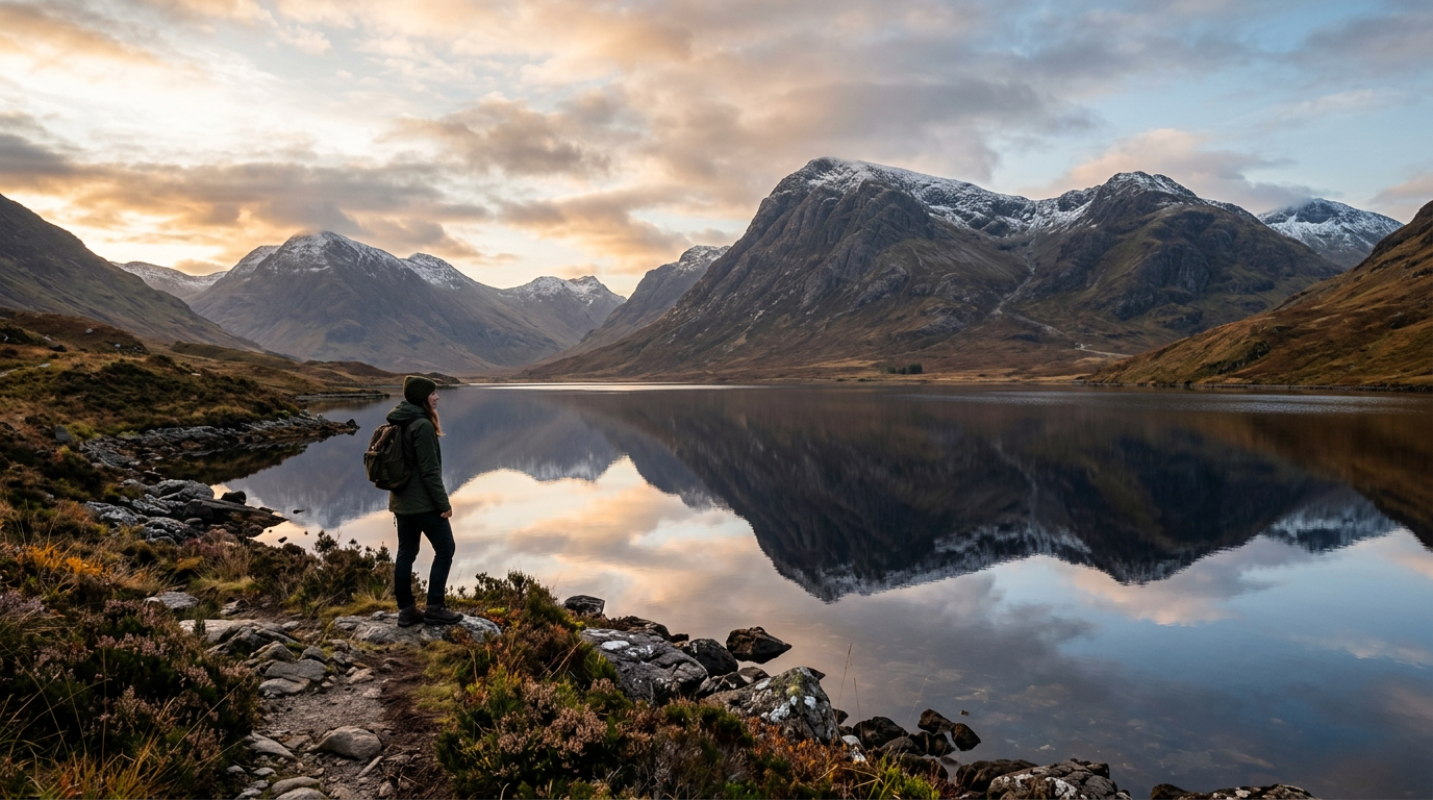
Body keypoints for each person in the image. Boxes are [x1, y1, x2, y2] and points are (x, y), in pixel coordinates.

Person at [387, 376, 462, 627]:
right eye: (432, 393)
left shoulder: (399, 420)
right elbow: (430, 472)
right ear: (422, 397)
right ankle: (435, 607)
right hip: (424, 504)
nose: (437, 397)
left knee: (406, 553)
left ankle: (406, 611)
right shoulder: (423, 426)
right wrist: (443, 504)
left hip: (401, 502)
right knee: (446, 548)